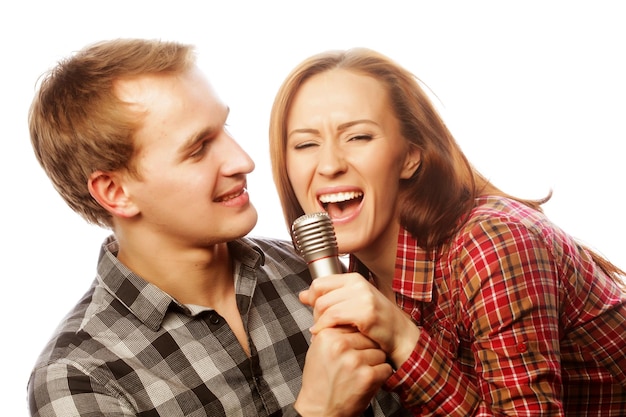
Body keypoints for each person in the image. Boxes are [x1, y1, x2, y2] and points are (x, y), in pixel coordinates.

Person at [27, 39, 411, 417]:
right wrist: (319, 412)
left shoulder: (310, 274)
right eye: (198, 148)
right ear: (115, 192)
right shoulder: (79, 379)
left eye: (224, 127)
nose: (242, 160)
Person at [268, 47, 626, 416]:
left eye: (358, 137)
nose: (329, 164)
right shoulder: (362, 278)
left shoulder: (494, 243)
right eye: (306, 144)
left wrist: (402, 339)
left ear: (411, 156)